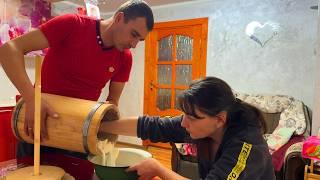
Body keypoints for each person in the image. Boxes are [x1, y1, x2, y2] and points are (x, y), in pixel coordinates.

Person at [0, 0, 154, 158]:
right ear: (119, 18)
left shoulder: (125, 58)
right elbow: (8, 50)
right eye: (134, 35)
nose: (134, 44)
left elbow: (113, 101)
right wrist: (32, 100)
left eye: (140, 40)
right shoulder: (72, 24)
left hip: (79, 134)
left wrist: (105, 123)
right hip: (40, 125)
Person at [99, 77, 276, 180]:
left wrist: (159, 169)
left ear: (220, 119)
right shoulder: (203, 124)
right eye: (184, 114)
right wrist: (101, 127)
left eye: (191, 117)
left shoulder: (247, 145)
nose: (183, 123)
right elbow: (152, 126)